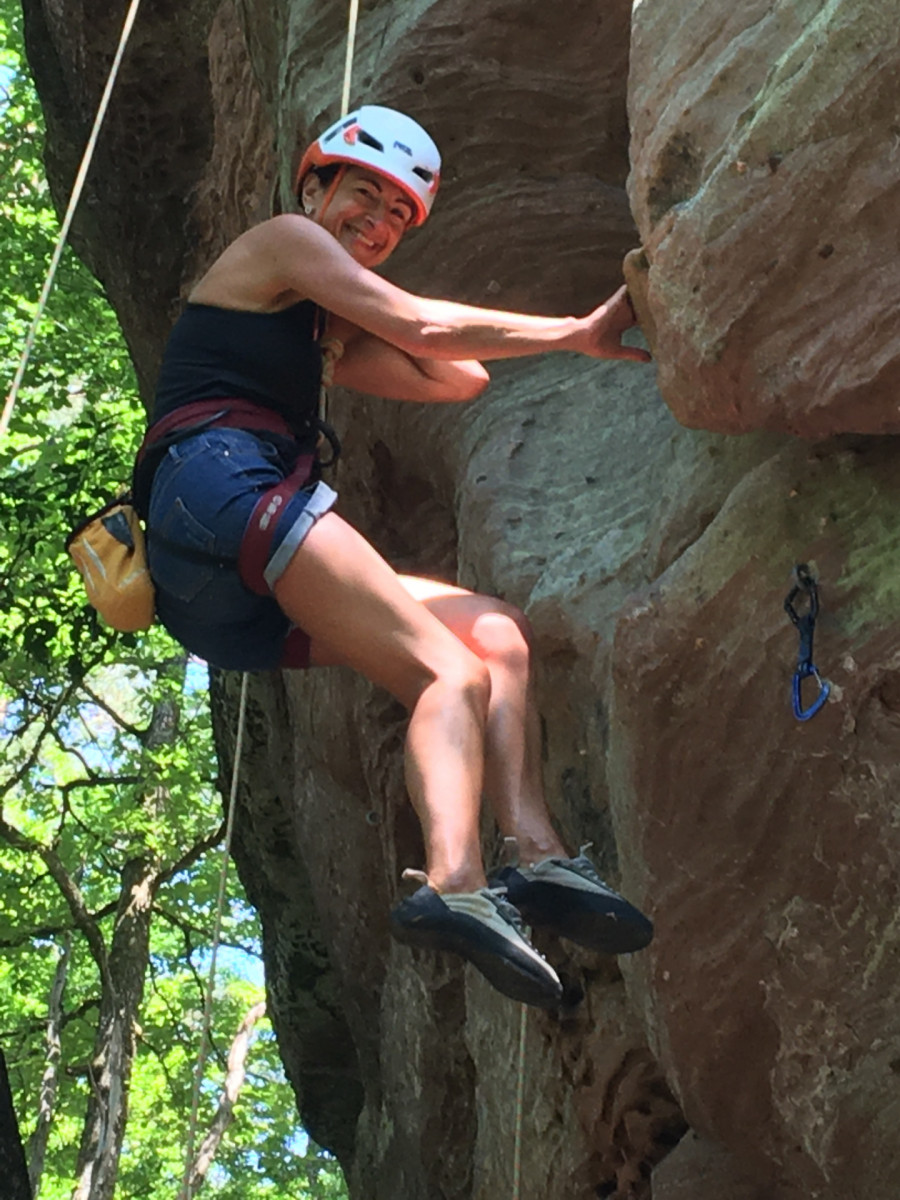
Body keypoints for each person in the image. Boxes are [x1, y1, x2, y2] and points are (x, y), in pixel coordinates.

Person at [137, 105, 653, 1010]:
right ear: (314, 187)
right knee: (446, 673)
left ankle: (537, 857)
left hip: (229, 590)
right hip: (218, 487)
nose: (373, 226)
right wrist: (575, 332)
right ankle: (452, 885)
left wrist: (339, 340)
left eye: (393, 220)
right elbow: (424, 328)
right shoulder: (284, 239)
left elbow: (458, 377)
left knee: (495, 634)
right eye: (362, 198)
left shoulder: (308, 322)